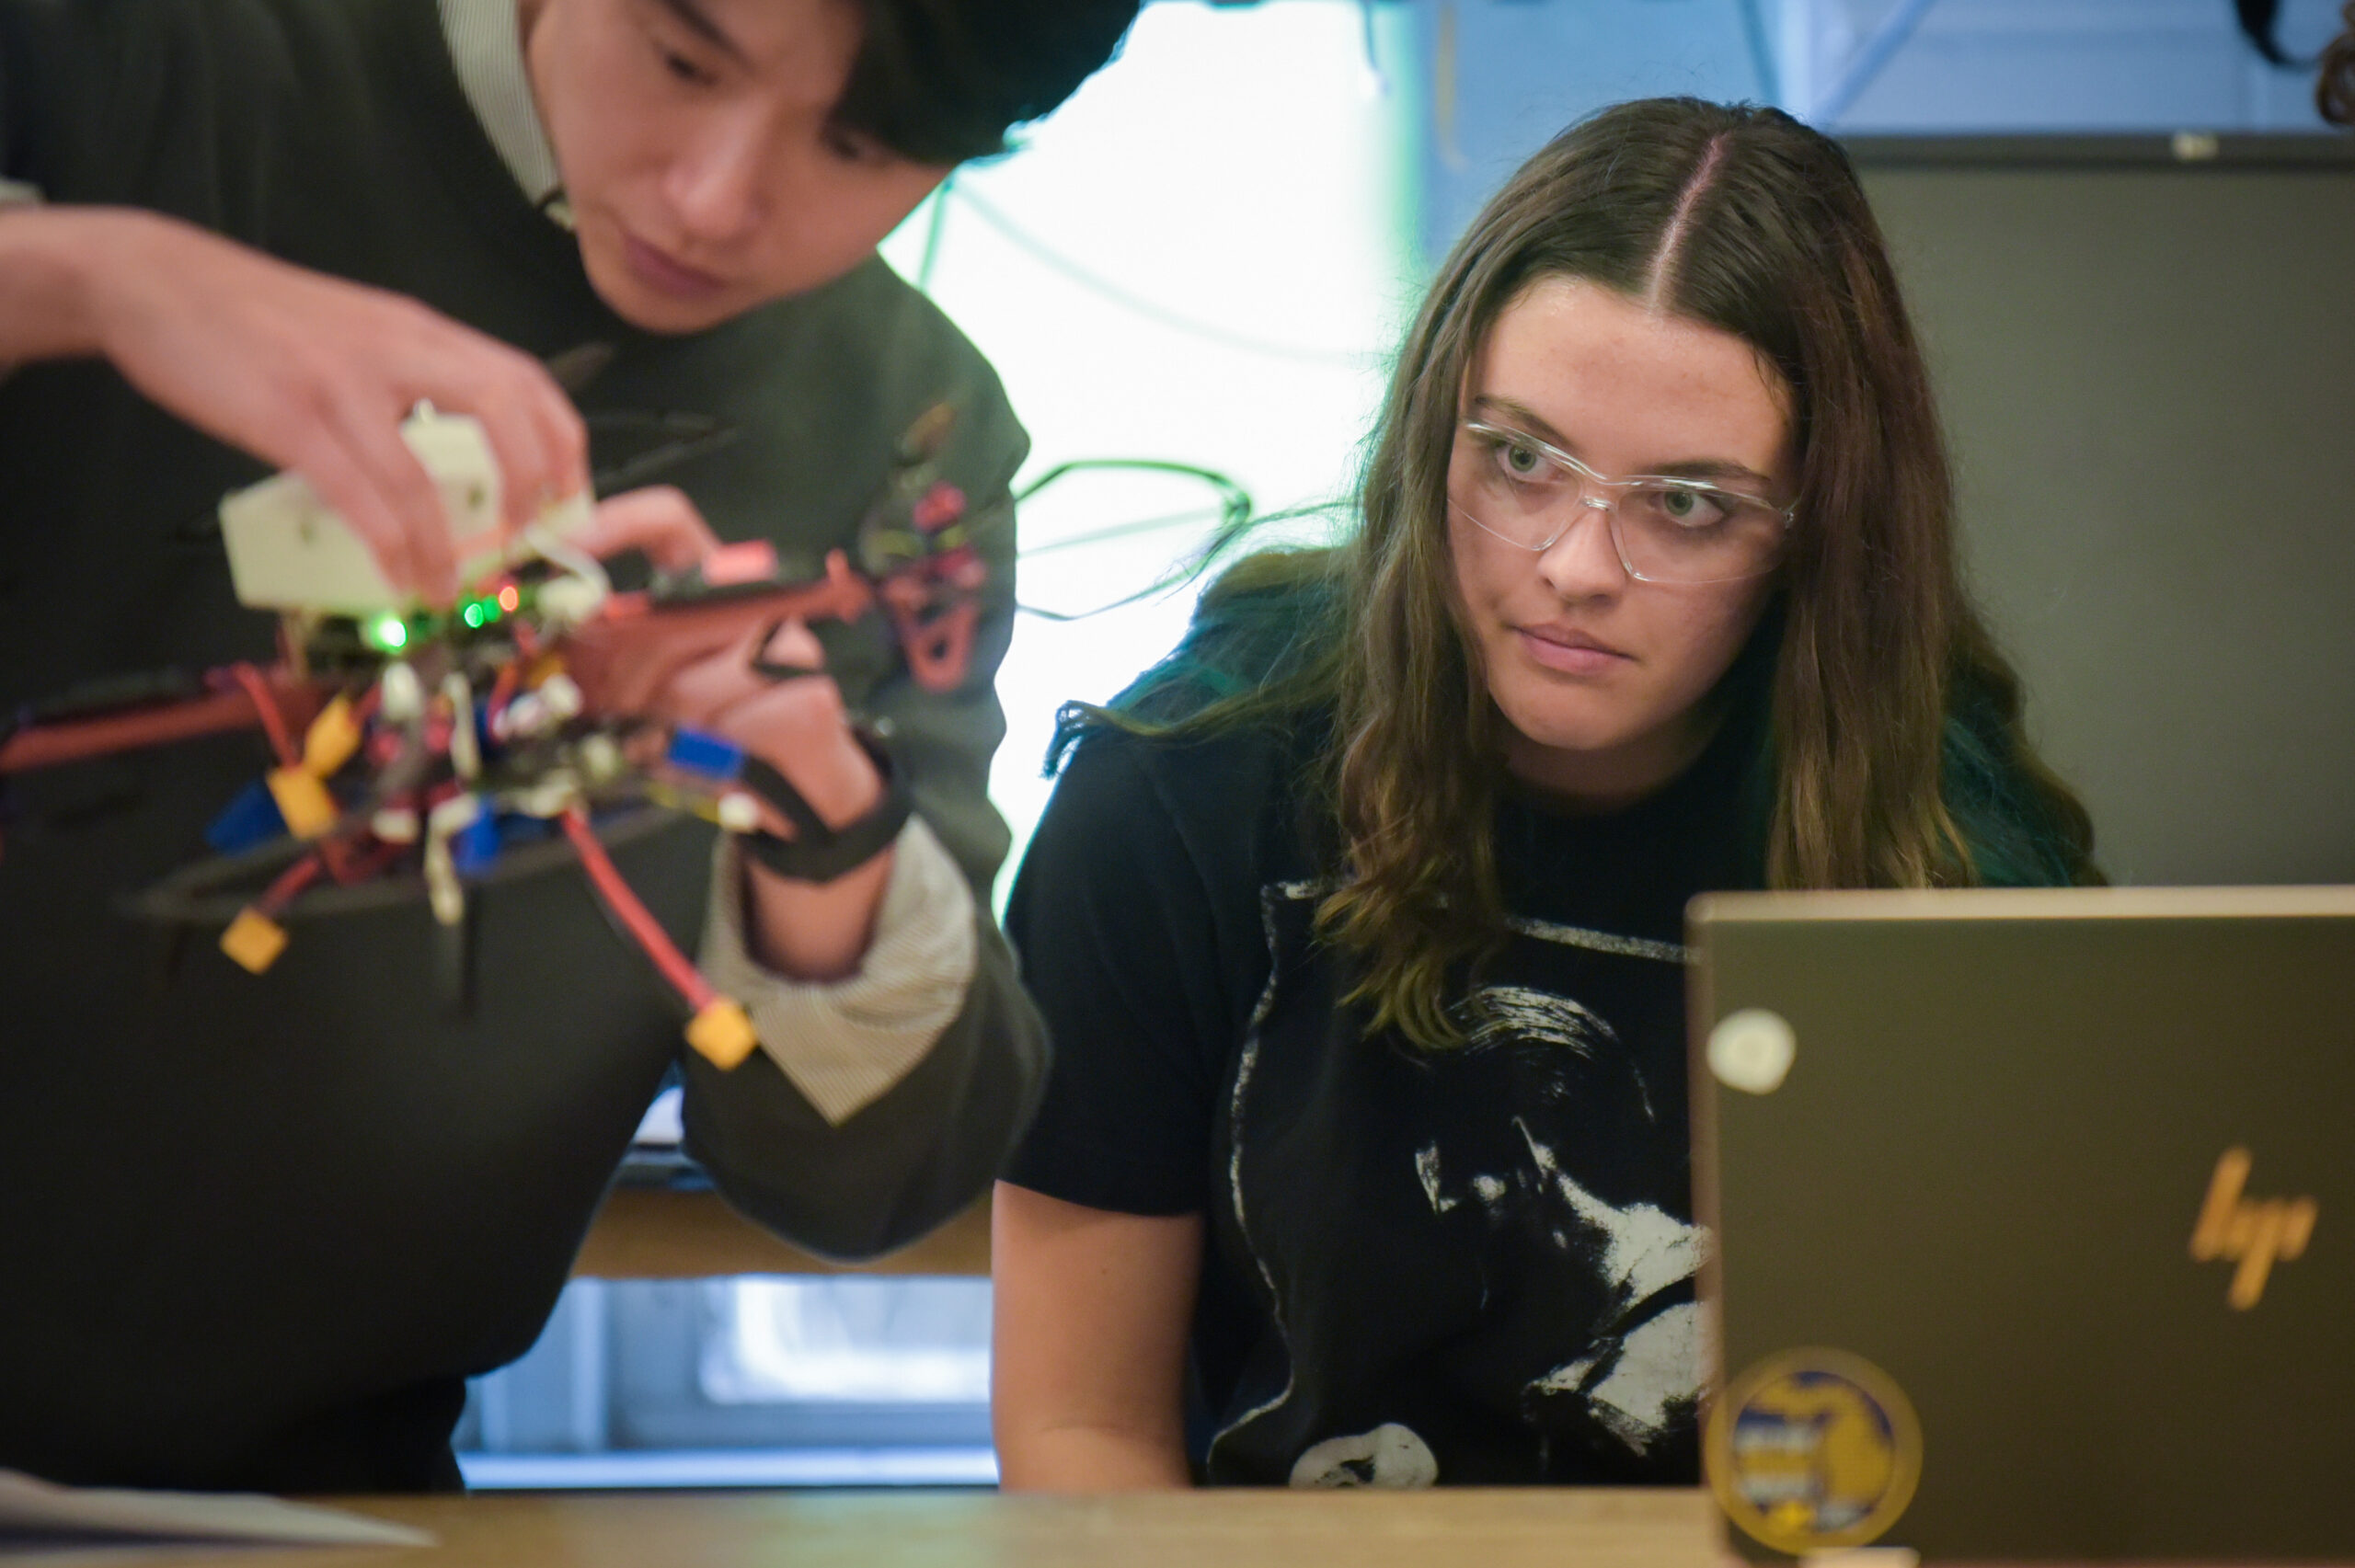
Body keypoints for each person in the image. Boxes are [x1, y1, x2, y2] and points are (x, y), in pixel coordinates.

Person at [0, 0, 1132, 1492]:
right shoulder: (148, 58)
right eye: (682, 61)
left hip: (317, 1495)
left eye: (860, 145)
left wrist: (823, 824)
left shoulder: (901, 444)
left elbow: (874, 1174)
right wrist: (86, 278)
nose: (714, 199)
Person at [989, 97, 2100, 1492]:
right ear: (1429, 432)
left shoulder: (1957, 849)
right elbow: (1080, 1430)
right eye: (1519, 458)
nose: (1575, 563)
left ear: (1817, 536)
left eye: (1685, 504)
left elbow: (2017, 1440)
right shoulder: (1180, 788)